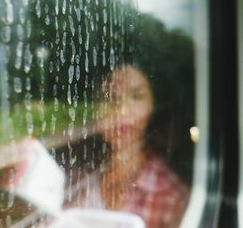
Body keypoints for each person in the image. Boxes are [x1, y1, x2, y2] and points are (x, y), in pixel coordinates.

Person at [65, 64, 190, 228]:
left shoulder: (170, 196)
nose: (122, 110)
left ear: (153, 107)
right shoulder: (75, 176)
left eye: (136, 96)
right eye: (109, 97)